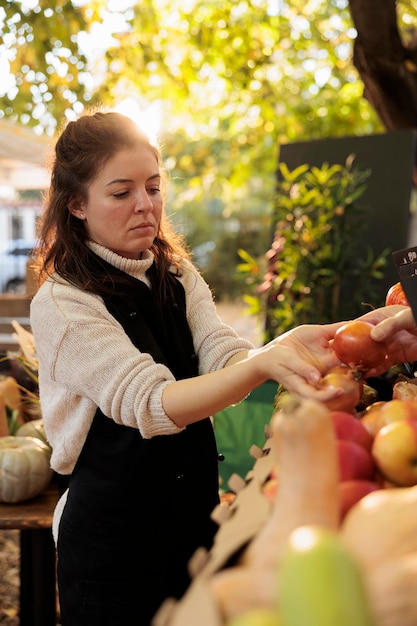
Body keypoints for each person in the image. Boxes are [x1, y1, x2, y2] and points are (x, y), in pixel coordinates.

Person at [30, 108, 361, 625]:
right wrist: (266, 364)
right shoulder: (63, 303)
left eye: (154, 187)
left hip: (192, 519)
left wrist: (308, 347)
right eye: (122, 193)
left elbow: (225, 357)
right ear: (76, 204)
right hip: (112, 546)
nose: (146, 206)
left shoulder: (177, 274)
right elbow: (150, 403)